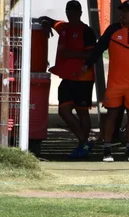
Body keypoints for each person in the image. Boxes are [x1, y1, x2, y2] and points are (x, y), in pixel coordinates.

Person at [82, 0, 129, 162]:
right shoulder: (113, 30)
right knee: (112, 114)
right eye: (121, 11)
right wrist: (87, 64)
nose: (123, 14)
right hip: (115, 82)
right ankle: (107, 150)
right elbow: (99, 48)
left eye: (126, 12)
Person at [40, 1, 97, 158]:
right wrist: (45, 24)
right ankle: (85, 141)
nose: (71, 14)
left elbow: (92, 54)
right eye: (68, 11)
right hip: (67, 77)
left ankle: (82, 145)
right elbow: (46, 19)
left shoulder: (86, 31)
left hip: (83, 78)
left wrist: (72, 54)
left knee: (82, 112)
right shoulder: (63, 27)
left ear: (80, 13)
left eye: (74, 11)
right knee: (63, 110)